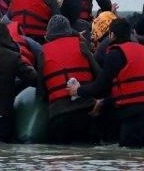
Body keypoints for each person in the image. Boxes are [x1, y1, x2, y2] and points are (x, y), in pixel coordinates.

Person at [68, 18, 144, 148]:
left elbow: (100, 87)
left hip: (132, 116)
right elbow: (131, 88)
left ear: (112, 35)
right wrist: (105, 102)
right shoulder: (142, 50)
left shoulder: (116, 53)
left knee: (129, 159)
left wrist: (78, 90)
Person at [36, 15, 101, 144]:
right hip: (86, 113)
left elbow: (41, 92)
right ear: (69, 31)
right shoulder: (82, 46)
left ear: (48, 35)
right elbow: (99, 76)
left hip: (60, 117)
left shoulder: (43, 52)